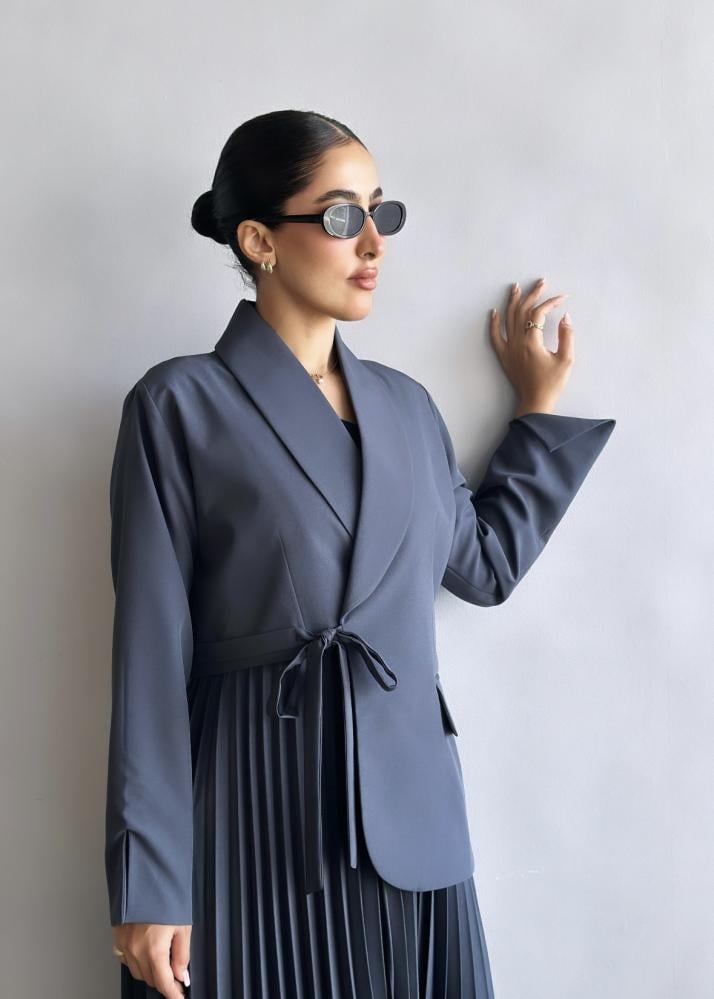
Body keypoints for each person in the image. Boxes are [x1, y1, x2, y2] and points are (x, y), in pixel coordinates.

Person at [105, 109, 616, 998]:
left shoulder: (407, 406)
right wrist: (147, 879)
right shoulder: (179, 403)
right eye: (342, 215)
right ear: (260, 239)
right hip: (253, 804)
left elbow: (484, 566)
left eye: (382, 211)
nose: (374, 241)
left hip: (413, 813)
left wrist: (535, 418)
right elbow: (149, 657)